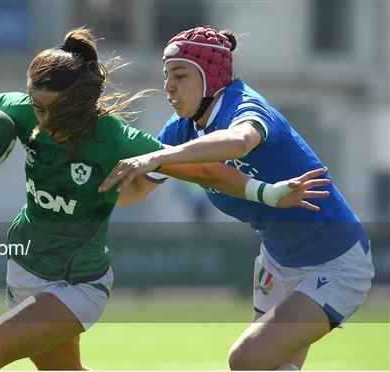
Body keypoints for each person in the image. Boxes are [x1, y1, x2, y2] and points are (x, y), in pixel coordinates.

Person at [0, 27, 329, 371]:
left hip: (77, 282)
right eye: (35, 106)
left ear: (80, 104)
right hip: (24, 267)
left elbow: (205, 171)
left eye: (50, 111)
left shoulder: (114, 139)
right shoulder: (25, 109)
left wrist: (270, 193)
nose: (40, 122)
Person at [98, 27, 375, 370]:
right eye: (166, 75)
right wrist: (99, 164)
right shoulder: (180, 130)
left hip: (335, 261)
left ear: (211, 78)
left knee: (246, 358)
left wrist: (157, 157)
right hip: (278, 260)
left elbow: (240, 141)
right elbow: (132, 193)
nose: (168, 86)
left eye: (180, 75)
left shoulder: (245, 106)